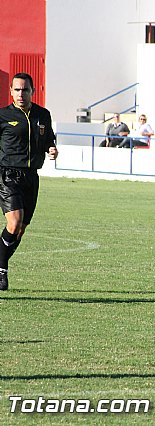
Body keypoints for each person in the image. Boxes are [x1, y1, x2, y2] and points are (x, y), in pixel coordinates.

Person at [0, 73, 58, 290]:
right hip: (7, 175)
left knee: (20, 230)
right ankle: (1, 270)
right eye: (17, 89)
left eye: (25, 90)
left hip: (31, 177)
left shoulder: (43, 115)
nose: (21, 94)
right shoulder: (3, 116)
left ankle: (0, 261)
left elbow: (48, 138)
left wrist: (51, 148)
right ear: (11, 91)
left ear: (33, 91)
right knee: (14, 222)